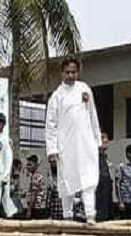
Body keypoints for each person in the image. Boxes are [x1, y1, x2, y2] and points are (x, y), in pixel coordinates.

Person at [45, 57, 102, 223]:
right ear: (62, 73)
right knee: (66, 181)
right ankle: (68, 215)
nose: (71, 75)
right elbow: (51, 124)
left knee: (89, 178)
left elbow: (92, 115)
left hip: (86, 143)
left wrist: (97, 140)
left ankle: (90, 214)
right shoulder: (57, 96)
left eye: (73, 72)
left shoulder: (84, 89)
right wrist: (52, 149)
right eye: (67, 72)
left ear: (78, 72)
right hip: (66, 146)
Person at [0, 113, 17, 218]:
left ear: (1, 124)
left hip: (1, 172)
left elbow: (8, 158)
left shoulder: (5, 140)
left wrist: (6, 175)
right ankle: (10, 213)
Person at [113, 144, 131, 220]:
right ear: (128, 154)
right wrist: (120, 202)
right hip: (125, 201)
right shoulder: (121, 167)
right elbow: (117, 184)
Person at [96, 133, 113, 222]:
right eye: (103, 138)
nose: (106, 141)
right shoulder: (95, 156)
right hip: (99, 187)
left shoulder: (104, 156)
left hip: (106, 187)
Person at [25, 155, 48, 220]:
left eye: (30, 165)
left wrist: (29, 210)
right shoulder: (36, 175)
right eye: (27, 165)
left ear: (35, 165)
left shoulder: (36, 176)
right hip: (38, 206)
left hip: (36, 207)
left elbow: (34, 194)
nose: (28, 167)